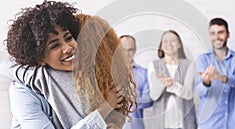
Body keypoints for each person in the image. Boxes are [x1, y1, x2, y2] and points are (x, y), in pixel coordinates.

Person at [1, 1, 134, 128]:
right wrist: (103, 109)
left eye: (68, 38)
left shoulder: (83, 77)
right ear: (40, 58)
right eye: (55, 45)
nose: (67, 48)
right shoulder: (23, 91)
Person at [196, 18, 235, 129]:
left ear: (228, 34)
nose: (217, 37)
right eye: (213, 33)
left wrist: (222, 78)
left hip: (233, 123)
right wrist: (206, 82)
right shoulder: (202, 59)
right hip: (209, 124)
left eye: (221, 32)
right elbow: (200, 92)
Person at [147, 30, 197, 129]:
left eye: (173, 40)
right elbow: (153, 96)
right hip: (161, 124)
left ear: (179, 45)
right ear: (161, 46)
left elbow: (188, 94)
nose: (169, 44)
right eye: (165, 41)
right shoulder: (153, 65)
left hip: (185, 124)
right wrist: (162, 84)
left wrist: (172, 85)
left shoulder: (189, 65)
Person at [119, 35, 153, 129]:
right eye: (123, 49)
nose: (126, 53)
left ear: (135, 50)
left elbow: (149, 100)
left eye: (130, 49)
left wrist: (133, 98)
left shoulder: (143, 73)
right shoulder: (108, 74)